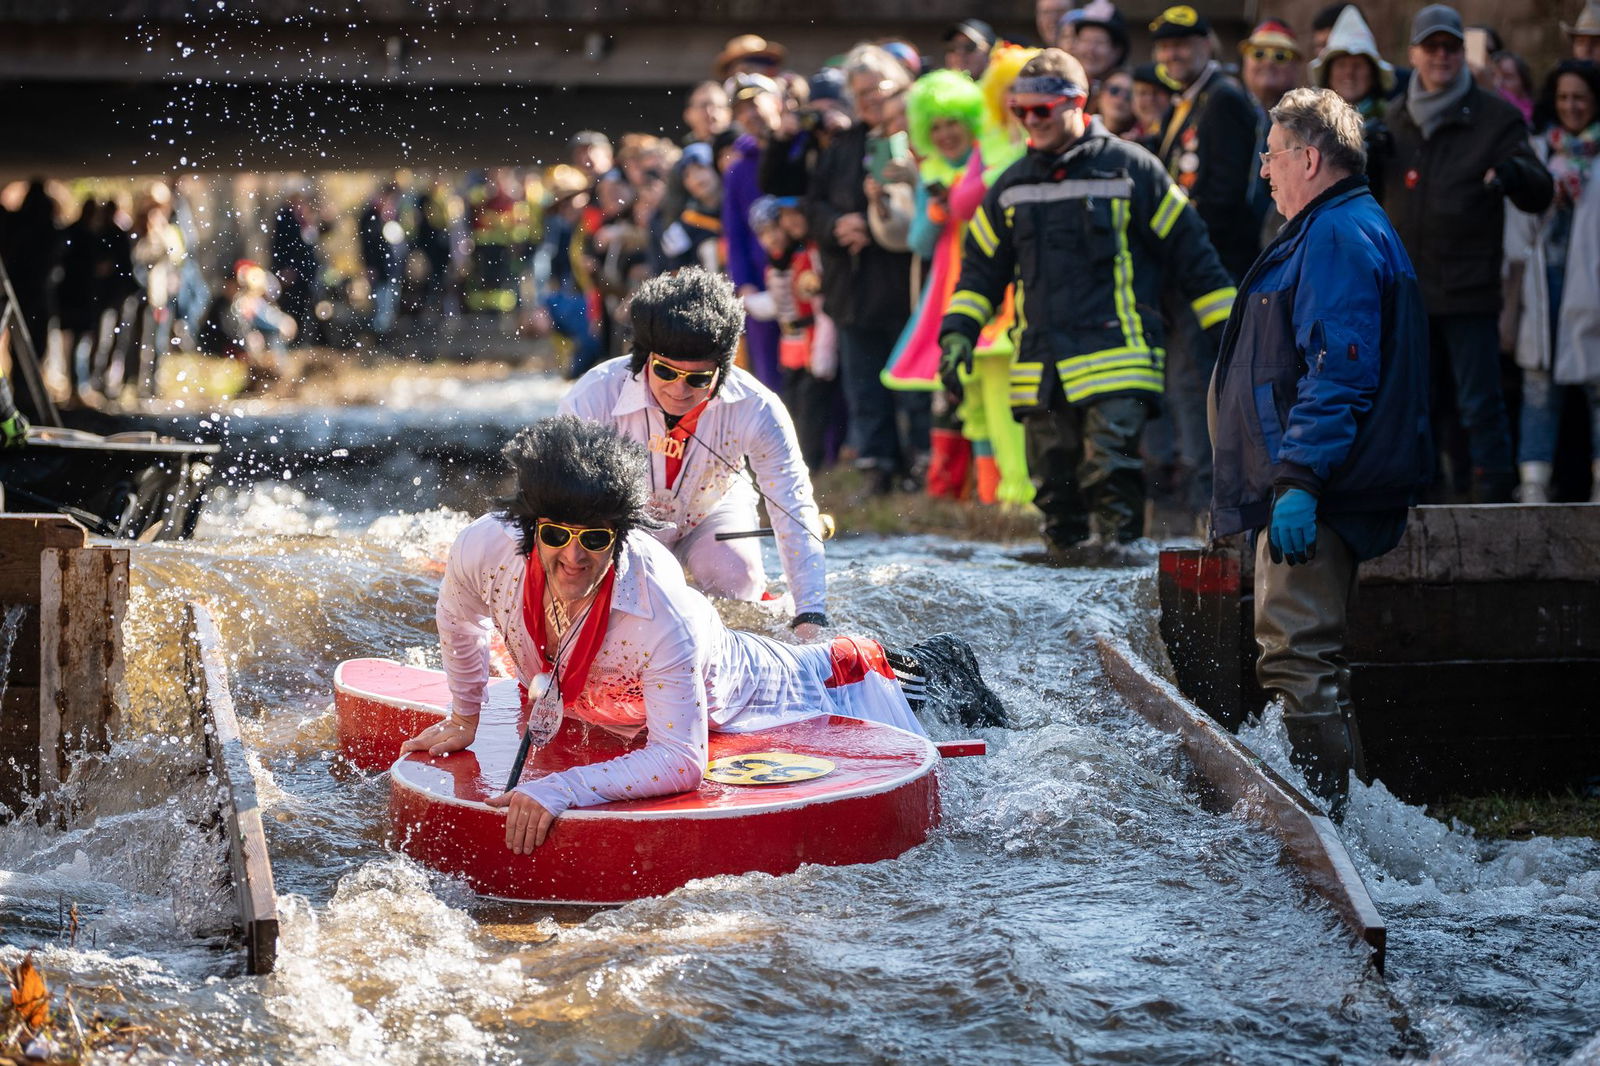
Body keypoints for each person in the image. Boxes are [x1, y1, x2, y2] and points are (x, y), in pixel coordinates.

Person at [400, 415, 1005, 852]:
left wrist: (564, 788)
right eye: (556, 535)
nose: (573, 557)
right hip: (636, 703)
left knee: (901, 682)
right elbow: (460, 619)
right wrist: (465, 715)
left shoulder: (659, 607)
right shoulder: (485, 548)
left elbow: (680, 760)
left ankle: (942, 664)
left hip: (788, 693)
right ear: (530, 528)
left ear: (623, 536)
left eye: (596, 539)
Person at [1209, 88, 1431, 810]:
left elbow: (1339, 368)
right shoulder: (1336, 227)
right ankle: (1352, 822)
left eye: (1271, 157)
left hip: (1320, 486)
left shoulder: (1336, 234)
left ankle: (1324, 828)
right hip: (1319, 478)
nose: (1265, 173)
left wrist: (1299, 477)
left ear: (1309, 157)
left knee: (1298, 659)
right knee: (1315, 662)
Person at [940, 49, 1236, 563]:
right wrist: (959, 330)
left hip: (1118, 353)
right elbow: (981, 270)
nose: (1031, 121)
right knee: (1054, 487)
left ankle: (1123, 577)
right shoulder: (1011, 186)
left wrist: (1231, 334)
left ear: (1077, 103)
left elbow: (1194, 255)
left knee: (1111, 468)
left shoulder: (1132, 170)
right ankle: (1065, 586)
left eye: (1043, 110)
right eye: (1021, 111)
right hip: (1043, 362)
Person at [559, 268, 830, 638]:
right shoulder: (594, 395)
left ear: (723, 369)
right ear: (643, 359)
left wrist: (811, 616)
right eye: (665, 371)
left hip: (714, 510)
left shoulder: (759, 408)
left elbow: (793, 507)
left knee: (739, 583)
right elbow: (560, 505)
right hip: (624, 519)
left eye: (698, 379)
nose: (679, 391)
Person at [1372, 3, 1553, 502]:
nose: (1441, 56)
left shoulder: (1495, 117)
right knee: (1415, 408)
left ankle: (1497, 510)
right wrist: (1365, 158)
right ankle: (1418, 507)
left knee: (1479, 408)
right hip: (1408, 294)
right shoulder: (1393, 121)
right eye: (1431, 47)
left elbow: (1540, 190)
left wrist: (1517, 176)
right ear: (1414, 54)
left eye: (1450, 47)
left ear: (1462, 53)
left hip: (1470, 291)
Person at [807, 43, 925, 494]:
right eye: (859, 94)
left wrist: (871, 228)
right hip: (851, 287)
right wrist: (838, 225)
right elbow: (812, 205)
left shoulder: (916, 136)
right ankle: (878, 470)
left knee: (912, 385)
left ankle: (918, 467)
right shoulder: (842, 144)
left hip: (902, 282)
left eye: (877, 89)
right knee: (864, 388)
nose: (869, 101)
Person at [1504, 61, 1600, 503]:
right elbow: (1517, 230)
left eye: (1580, 97)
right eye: (1563, 97)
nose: (1571, 106)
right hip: (1543, 285)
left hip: (1591, 285)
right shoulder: (1539, 151)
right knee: (1538, 388)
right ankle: (1533, 487)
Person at [1240, 19, 1303, 111]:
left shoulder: (1306, 114)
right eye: (1259, 53)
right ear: (1245, 61)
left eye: (1280, 56)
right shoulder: (1227, 107)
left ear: (1295, 66)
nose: (1268, 62)